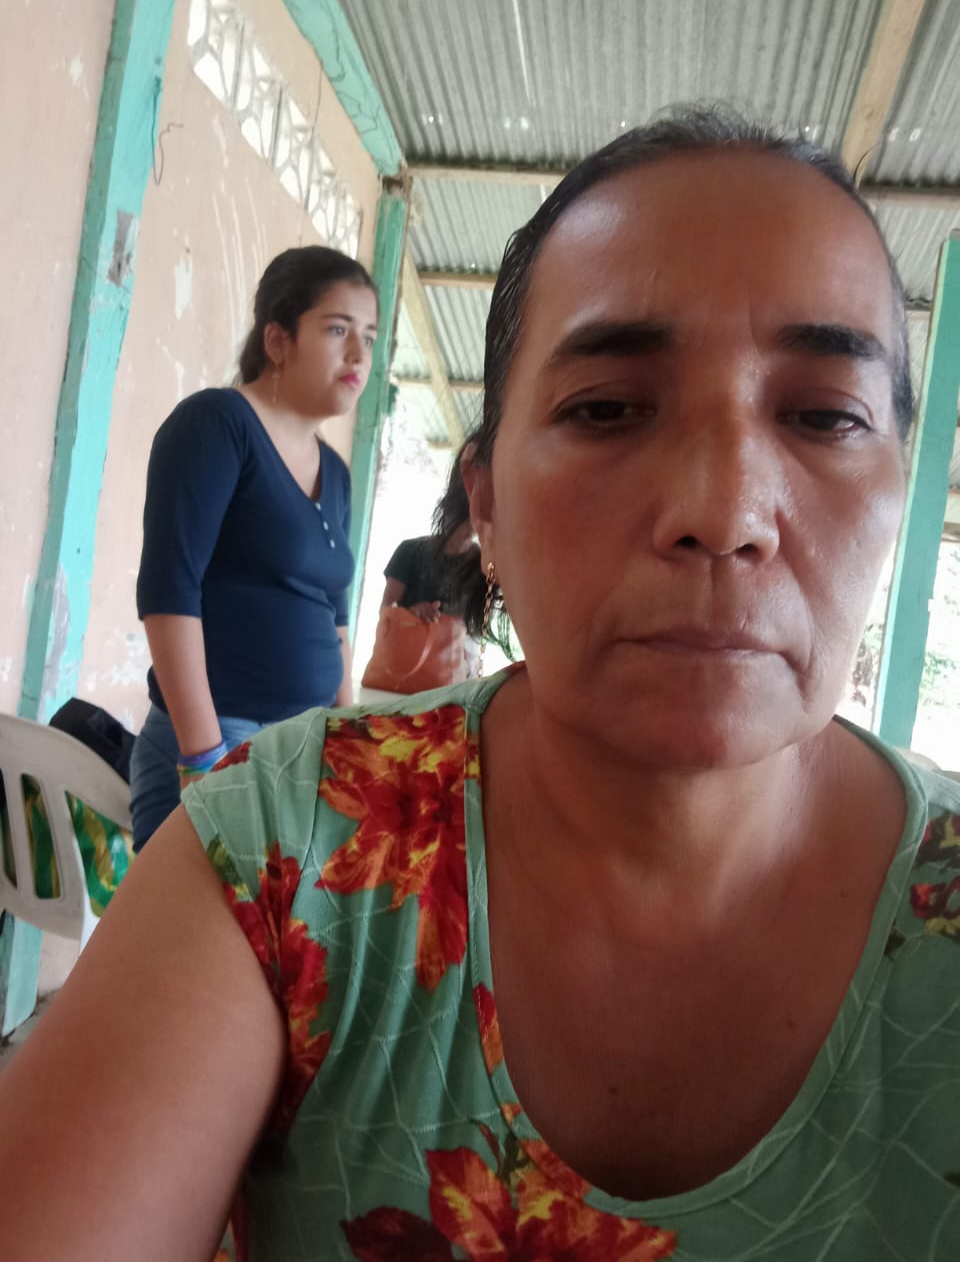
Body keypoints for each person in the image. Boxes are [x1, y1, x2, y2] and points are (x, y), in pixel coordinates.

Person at [2, 107, 959, 1261]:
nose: (723, 512)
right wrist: (211, 750)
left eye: (825, 416)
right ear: (485, 506)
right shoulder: (288, 844)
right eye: (607, 408)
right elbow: (174, 590)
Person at [128, 246, 378, 850]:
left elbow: (335, 619)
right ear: (277, 339)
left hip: (301, 752)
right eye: (338, 329)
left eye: (369, 337)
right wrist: (204, 756)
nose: (358, 354)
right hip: (221, 744)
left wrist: (346, 742)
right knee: (202, 917)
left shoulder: (337, 474)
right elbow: (169, 592)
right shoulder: (217, 425)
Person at [379, 456, 477, 623]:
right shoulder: (409, 551)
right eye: (464, 514)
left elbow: (480, 625)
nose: (471, 524)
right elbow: (386, 614)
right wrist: (412, 613)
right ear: (446, 510)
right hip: (406, 639)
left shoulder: (483, 565)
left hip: (456, 641)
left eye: (475, 515)